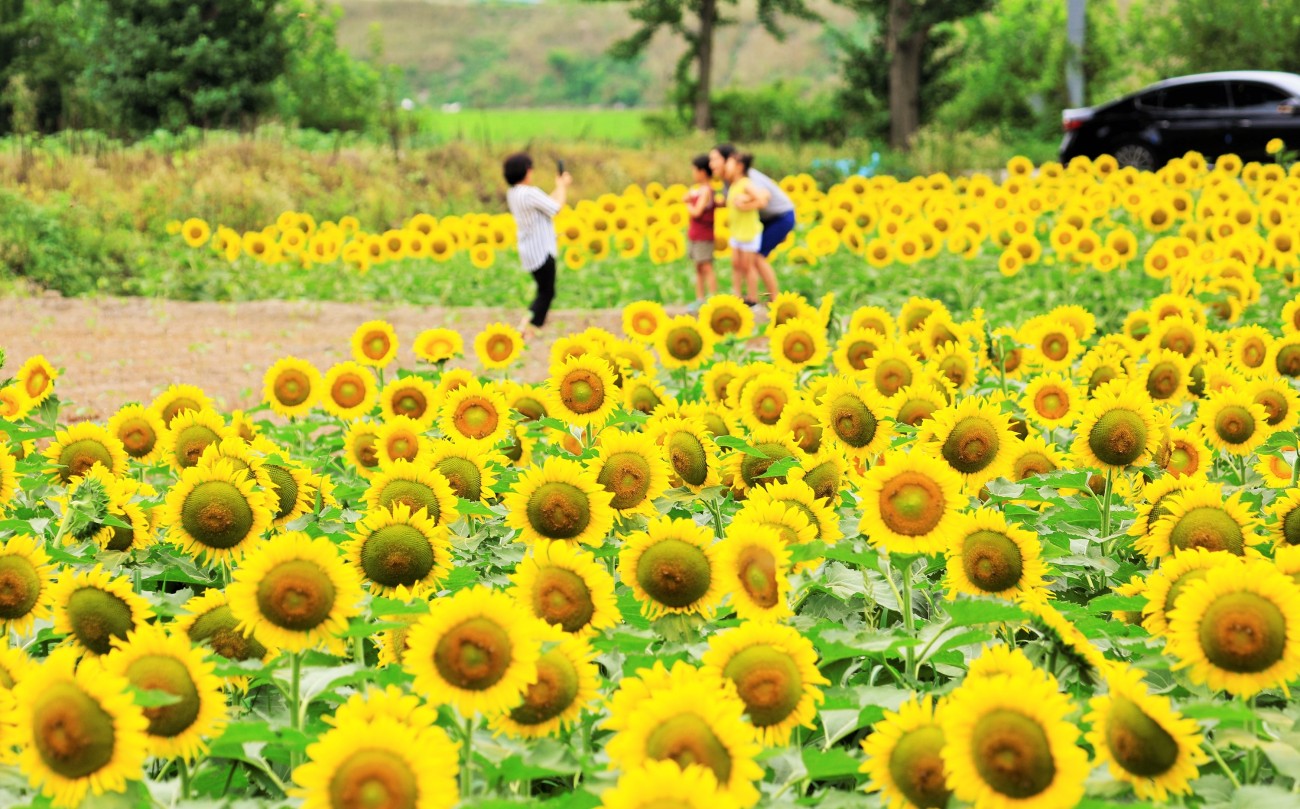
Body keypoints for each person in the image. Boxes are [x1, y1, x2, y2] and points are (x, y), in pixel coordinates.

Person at [710, 143, 789, 308]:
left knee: (756, 259)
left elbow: (763, 196)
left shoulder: (747, 177)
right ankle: (757, 299)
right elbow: (731, 200)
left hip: (781, 216)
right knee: (745, 262)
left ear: (729, 160)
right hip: (757, 222)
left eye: (715, 159)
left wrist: (745, 201)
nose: (711, 164)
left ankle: (772, 300)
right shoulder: (729, 181)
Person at [503, 152, 571, 340]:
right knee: (547, 292)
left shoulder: (514, 193)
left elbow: (547, 203)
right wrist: (562, 186)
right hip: (542, 251)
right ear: (526, 171)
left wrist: (558, 187)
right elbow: (556, 208)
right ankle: (526, 327)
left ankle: (528, 327)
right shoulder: (529, 192)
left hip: (529, 251)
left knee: (544, 291)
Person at [724, 151, 765, 305]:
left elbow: (761, 201)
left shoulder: (746, 183)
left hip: (749, 232)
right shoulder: (734, 184)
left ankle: (753, 299)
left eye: (729, 163)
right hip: (736, 231)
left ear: (739, 166)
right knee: (736, 264)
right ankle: (737, 296)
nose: (726, 166)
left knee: (748, 266)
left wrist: (745, 205)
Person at [684, 154, 719, 312]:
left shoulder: (706, 190)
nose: (693, 173)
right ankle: (700, 298)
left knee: (706, 267)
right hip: (696, 234)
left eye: (694, 170)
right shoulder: (698, 190)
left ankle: (713, 298)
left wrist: (687, 204)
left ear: (702, 172)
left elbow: (697, 212)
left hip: (704, 235)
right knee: (698, 267)